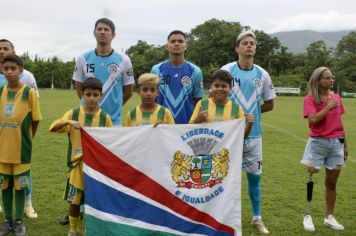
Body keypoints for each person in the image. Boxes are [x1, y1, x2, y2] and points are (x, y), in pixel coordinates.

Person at [221, 30, 276, 234]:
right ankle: (223, 216)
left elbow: (270, 103)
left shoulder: (262, 74)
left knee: (255, 178)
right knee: (224, 177)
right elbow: (215, 98)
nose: (249, 46)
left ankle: (257, 217)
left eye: (252, 43)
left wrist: (252, 115)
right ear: (237, 48)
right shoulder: (226, 70)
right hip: (228, 135)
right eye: (245, 43)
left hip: (254, 135)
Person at [49, 77, 113, 236]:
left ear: (101, 95)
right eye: (88, 94)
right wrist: (68, 122)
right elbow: (53, 127)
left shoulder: (105, 117)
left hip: (97, 167)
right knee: (75, 200)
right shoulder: (74, 113)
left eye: (95, 95)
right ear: (82, 94)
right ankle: (73, 230)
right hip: (77, 166)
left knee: (95, 200)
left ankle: (91, 229)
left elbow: (111, 140)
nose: (91, 98)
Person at [301, 67, 347, 232]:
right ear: (318, 80)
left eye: (331, 77)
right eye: (327, 78)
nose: (331, 80)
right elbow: (313, 120)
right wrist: (328, 107)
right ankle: (307, 215)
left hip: (337, 143)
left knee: (332, 182)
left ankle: (329, 217)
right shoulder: (310, 98)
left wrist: (345, 145)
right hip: (318, 143)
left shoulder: (336, 97)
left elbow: (340, 123)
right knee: (311, 174)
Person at [0, 55, 42, 236]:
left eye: (13, 68)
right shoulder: (0, 90)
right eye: (6, 68)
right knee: (5, 186)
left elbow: (35, 120)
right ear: (2, 69)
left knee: (20, 187)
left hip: (21, 151)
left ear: (21, 70)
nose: (9, 71)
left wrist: (26, 139)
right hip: (2, 151)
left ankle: (19, 221)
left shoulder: (28, 92)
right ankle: (7, 220)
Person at [72, 18, 134, 126]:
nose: (102, 32)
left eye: (106, 29)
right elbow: (79, 89)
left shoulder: (124, 60)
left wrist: (116, 107)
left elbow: (128, 91)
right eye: (99, 29)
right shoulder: (83, 58)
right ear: (94, 33)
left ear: (113, 35)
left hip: (113, 121)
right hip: (87, 119)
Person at [151, 30, 204, 124]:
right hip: (162, 124)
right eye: (172, 41)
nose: (176, 44)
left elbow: (198, 100)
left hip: (187, 125)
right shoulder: (156, 70)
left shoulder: (195, 71)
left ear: (185, 46)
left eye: (180, 41)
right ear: (167, 46)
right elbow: (152, 99)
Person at [189, 69, 254, 139]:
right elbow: (188, 130)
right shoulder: (202, 104)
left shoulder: (237, 109)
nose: (220, 89)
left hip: (227, 150)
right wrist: (198, 120)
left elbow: (241, 137)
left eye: (224, 86)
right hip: (205, 149)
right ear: (211, 86)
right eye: (216, 86)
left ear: (230, 87)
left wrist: (249, 125)